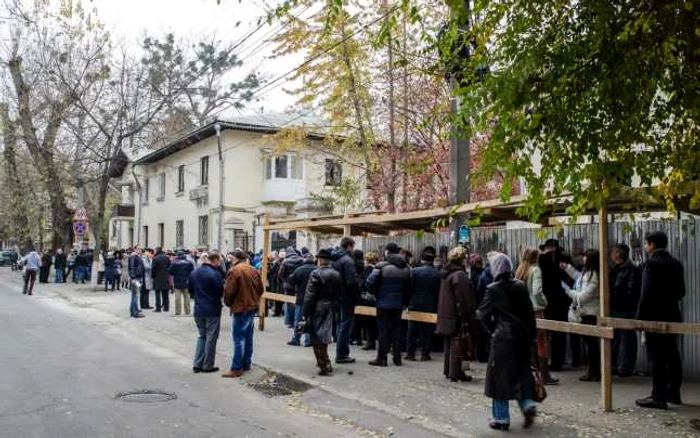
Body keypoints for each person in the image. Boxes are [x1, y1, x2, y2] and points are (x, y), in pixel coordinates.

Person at [477, 252, 538, 431]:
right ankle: (528, 405)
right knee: (521, 374)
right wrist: (532, 335)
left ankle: (501, 418)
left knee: (499, 378)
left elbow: (482, 314)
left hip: (503, 338)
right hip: (522, 337)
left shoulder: (492, 289)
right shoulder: (520, 286)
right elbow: (529, 313)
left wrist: (492, 329)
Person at [636, 231, 685, 410]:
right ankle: (673, 393)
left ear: (652, 245)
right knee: (672, 354)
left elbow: (646, 294)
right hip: (672, 313)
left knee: (656, 357)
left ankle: (658, 396)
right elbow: (681, 291)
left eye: (647, 244)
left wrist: (640, 319)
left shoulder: (652, 264)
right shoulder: (676, 264)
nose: (646, 247)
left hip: (654, 316)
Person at [516, 248, 558, 385]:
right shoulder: (536, 270)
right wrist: (544, 302)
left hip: (523, 310)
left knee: (527, 341)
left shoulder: (520, 270)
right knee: (542, 342)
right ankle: (544, 374)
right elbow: (537, 291)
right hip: (536, 310)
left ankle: (527, 371)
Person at [366, 242, 412, 367]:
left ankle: (382, 358)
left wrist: (377, 293)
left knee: (383, 331)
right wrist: (404, 301)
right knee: (397, 330)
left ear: (387, 252)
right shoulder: (406, 267)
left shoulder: (380, 266)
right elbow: (409, 288)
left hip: (383, 304)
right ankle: (397, 358)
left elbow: (369, 283)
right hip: (398, 304)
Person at [436, 246, 476, 382]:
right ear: (462, 259)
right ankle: (456, 373)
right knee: (457, 344)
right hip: (456, 316)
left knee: (449, 343)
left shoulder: (446, 274)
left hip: (446, 314)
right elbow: (463, 300)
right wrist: (466, 317)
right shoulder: (460, 275)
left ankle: (448, 370)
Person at [222, 250, 264, 378]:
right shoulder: (253, 269)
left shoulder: (234, 270)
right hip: (251, 306)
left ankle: (237, 368)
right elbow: (261, 289)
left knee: (239, 337)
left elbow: (229, 291)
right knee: (248, 336)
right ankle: (246, 363)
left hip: (241, 307)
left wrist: (229, 303)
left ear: (235, 258)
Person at [560, 249, 600, 382]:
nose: (583, 258)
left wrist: (569, 292)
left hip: (590, 312)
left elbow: (584, 296)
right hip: (587, 311)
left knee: (592, 344)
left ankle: (594, 372)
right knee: (590, 343)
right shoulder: (588, 273)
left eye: (585, 257)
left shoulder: (593, 275)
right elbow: (579, 279)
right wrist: (568, 269)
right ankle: (593, 371)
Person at [303, 249, 342, 376]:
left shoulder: (316, 273)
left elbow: (310, 295)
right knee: (324, 335)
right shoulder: (336, 274)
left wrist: (305, 312)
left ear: (319, 259)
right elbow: (339, 293)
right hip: (330, 306)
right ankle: (325, 361)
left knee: (316, 336)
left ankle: (324, 364)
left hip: (318, 307)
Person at [539, 239, 575, 371]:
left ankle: (544, 361)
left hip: (547, 300)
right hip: (563, 299)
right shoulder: (566, 259)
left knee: (545, 332)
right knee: (559, 332)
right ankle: (558, 361)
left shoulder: (542, 259)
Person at [608, 243, 641, 377]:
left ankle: (626, 367)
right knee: (614, 338)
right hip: (614, 308)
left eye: (613, 252)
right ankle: (614, 365)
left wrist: (622, 300)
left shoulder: (631, 269)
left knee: (627, 339)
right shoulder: (614, 269)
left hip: (626, 309)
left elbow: (632, 291)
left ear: (618, 254)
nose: (611, 255)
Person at [189, 251, 224, 373]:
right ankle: (207, 365)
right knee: (211, 337)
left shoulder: (195, 272)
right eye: (219, 261)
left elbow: (190, 290)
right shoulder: (215, 274)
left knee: (202, 336)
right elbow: (220, 291)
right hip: (212, 309)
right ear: (215, 261)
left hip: (198, 308)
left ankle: (197, 364)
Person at [405, 247, 441, 361]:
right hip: (431, 305)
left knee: (412, 330)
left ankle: (410, 354)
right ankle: (425, 354)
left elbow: (409, 288)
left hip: (414, 304)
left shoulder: (414, 271)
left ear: (422, 260)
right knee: (428, 331)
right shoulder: (437, 274)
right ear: (432, 261)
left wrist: (407, 302)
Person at [332, 237, 360, 364]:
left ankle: (340, 352)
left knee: (339, 324)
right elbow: (352, 282)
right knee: (345, 325)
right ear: (349, 246)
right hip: (346, 297)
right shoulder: (347, 261)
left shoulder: (334, 259)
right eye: (352, 247)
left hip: (335, 296)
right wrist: (357, 297)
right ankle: (342, 354)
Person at [287, 253, 317, 347]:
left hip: (301, 298)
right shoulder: (317, 270)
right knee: (310, 319)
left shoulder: (299, 270)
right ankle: (309, 340)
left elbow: (291, 281)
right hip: (313, 299)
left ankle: (296, 339)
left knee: (298, 320)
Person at [278, 247, 303, 328]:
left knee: (289, 304)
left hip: (288, 285)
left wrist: (285, 280)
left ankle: (290, 321)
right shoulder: (301, 260)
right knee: (298, 303)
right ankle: (297, 321)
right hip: (298, 285)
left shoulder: (285, 261)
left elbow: (280, 274)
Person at [358, 252, 378, 351]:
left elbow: (361, 284)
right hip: (376, 299)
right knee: (374, 321)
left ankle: (370, 342)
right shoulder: (377, 270)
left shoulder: (366, 271)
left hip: (365, 300)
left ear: (367, 261)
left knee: (367, 322)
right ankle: (372, 341)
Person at [169, 250, 196, 316]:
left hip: (177, 282)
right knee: (187, 297)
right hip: (186, 282)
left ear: (178, 255)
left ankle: (178, 311)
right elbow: (192, 272)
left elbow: (170, 272)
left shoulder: (175, 263)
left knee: (177, 298)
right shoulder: (189, 262)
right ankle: (187, 311)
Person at [127, 247, 145, 318]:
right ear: (135, 249)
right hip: (136, 278)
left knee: (135, 295)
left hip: (138, 277)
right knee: (135, 295)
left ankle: (133, 311)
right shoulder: (134, 256)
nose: (140, 250)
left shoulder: (137, 256)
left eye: (140, 248)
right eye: (138, 248)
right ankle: (135, 312)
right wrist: (133, 277)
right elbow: (131, 267)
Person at [151, 248, 171, 313]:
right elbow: (169, 267)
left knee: (157, 293)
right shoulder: (167, 258)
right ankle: (166, 307)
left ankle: (158, 308)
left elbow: (153, 269)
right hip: (165, 277)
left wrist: (153, 276)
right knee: (165, 293)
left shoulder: (155, 258)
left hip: (157, 278)